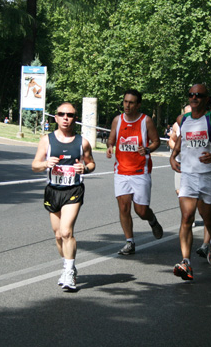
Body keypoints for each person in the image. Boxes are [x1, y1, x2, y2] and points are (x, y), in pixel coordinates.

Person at [169, 84, 211, 281]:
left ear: (206, 99)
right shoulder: (183, 119)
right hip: (188, 176)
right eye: (191, 95)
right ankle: (186, 262)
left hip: (208, 175)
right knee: (186, 218)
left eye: (198, 95)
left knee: (208, 219)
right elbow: (182, 138)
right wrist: (173, 156)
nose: (194, 98)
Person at [32, 102, 95, 290]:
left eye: (70, 115)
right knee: (58, 234)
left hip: (73, 190)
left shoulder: (82, 142)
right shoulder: (46, 140)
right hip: (53, 190)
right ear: (56, 117)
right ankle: (67, 265)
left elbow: (91, 164)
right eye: (62, 114)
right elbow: (35, 165)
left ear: (75, 118)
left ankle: (69, 272)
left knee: (67, 231)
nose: (66, 118)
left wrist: (85, 168)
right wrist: (44, 164)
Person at [106, 89, 163, 255]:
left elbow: (156, 141)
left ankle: (152, 220)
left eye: (131, 102)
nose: (127, 105)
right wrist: (110, 147)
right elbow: (111, 138)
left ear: (138, 105)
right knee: (124, 208)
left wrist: (147, 149)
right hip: (121, 171)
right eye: (125, 102)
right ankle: (129, 242)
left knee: (141, 211)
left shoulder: (146, 121)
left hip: (140, 171)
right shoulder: (118, 120)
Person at [168, 105, 192, 195]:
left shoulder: (199, 125)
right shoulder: (176, 125)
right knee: (179, 191)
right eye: (187, 114)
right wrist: (177, 150)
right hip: (180, 162)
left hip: (194, 163)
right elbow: (171, 140)